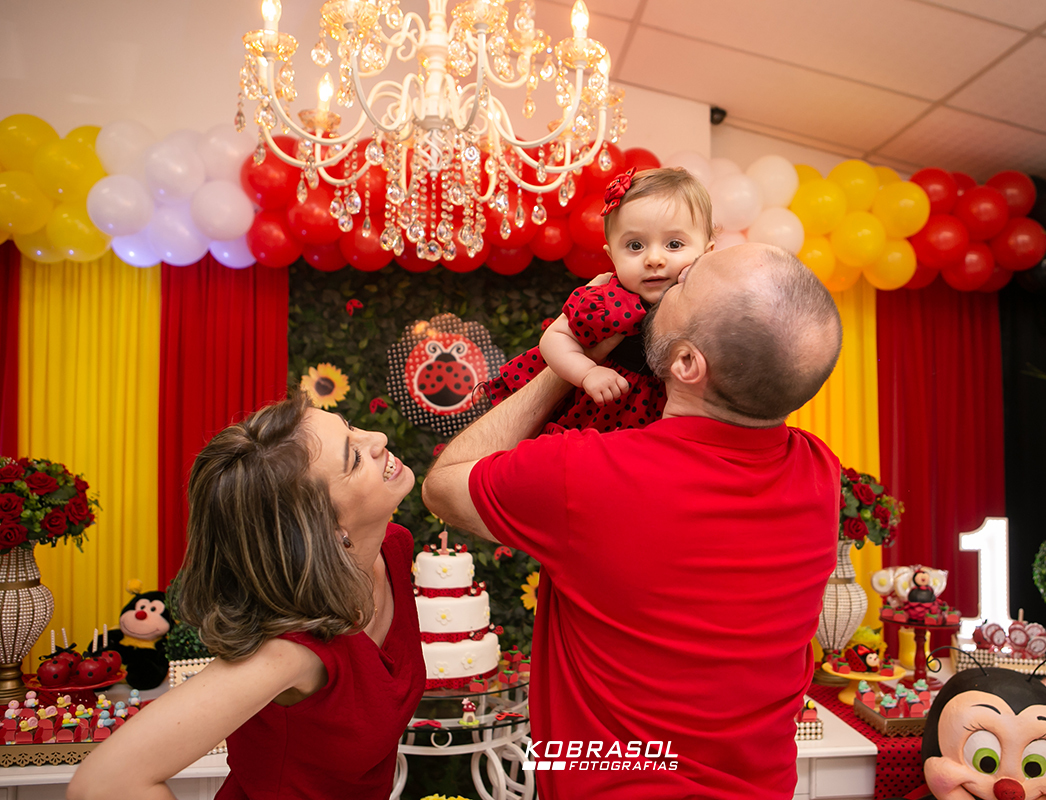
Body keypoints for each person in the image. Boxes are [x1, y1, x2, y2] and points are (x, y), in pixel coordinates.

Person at [424, 242, 844, 799]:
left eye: (686, 282)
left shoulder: (588, 475)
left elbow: (444, 484)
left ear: (687, 363)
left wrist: (573, 358)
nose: (671, 272)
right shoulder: (819, 473)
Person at [69, 392, 424, 800]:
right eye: (355, 459)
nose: (377, 437)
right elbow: (103, 784)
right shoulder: (290, 651)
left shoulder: (393, 549)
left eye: (350, 427)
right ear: (322, 529)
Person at [483, 166, 715, 433]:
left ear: (707, 252)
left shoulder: (711, 304)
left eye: (674, 244)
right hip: (604, 416)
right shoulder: (609, 299)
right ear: (612, 256)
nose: (654, 259)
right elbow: (554, 339)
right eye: (635, 246)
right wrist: (587, 373)